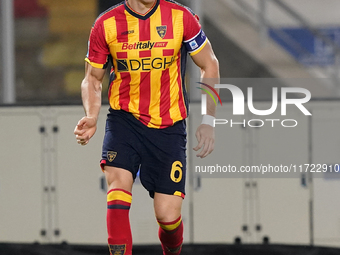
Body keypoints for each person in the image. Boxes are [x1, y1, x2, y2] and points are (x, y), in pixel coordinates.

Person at [74, 0, 219, 254]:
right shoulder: (106, 24)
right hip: (124, 121)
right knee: (117, 190)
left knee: (168, 217)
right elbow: (92, 79)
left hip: (168, 126)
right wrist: (92, 115)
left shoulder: (181, 17)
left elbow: (210, 65)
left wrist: (209, 120)